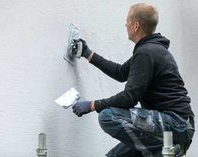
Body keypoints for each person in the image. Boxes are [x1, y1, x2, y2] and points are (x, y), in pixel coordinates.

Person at [72, 3, 195, 157]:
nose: (125, 24)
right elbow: (120, 73)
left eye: (127, 21)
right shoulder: (151, 50)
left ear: (136, 25)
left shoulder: (147, 52)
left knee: (107, 116)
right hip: (176, 125)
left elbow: (129, 98)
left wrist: (92, 105)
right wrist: (88, 54)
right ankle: (168, 148)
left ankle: (167, 150)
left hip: (177, 123)